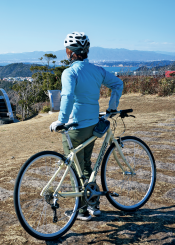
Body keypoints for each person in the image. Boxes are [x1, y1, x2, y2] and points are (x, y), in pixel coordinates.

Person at [49, 32, 123, 221]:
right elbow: (118, 84)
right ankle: (93, 205)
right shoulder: (97, 70)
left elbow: (67, 97)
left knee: (75, 169)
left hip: (74, 127)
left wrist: (61, 121)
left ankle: (81, 211)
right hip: (92, 125)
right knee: (86, 165)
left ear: (69, 52)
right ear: (86, 50)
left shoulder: (70, 72)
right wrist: (112, 108)